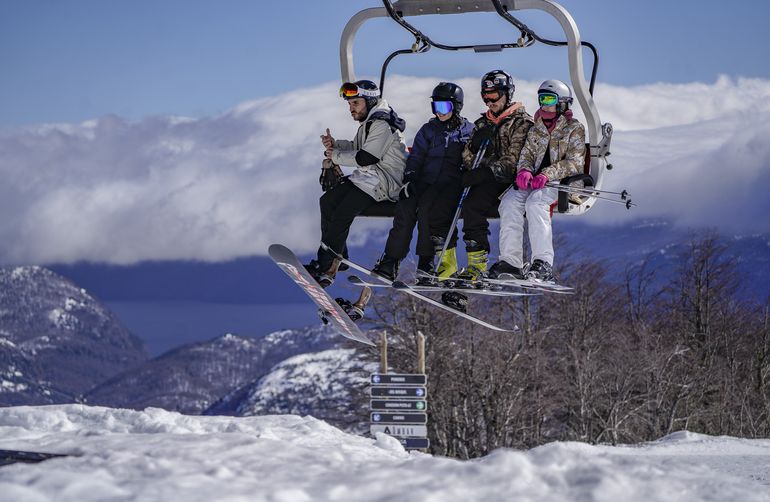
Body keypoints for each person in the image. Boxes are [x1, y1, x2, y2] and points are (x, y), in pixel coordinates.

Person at [305, 80, 408, 287]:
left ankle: (326, 264)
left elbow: (366, 157)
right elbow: (356, 147)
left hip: (384, 182)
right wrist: (335, 145)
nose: (351, 109)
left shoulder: (381, 124)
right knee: (328, 201)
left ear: (369, 101)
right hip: (370, 178)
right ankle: (338, 257)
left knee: (343, 212)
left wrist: (335, 156)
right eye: (350, 105)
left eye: (355, 104)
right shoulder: (370, 122)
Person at [371, 82, 474, 283]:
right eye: (436, 107)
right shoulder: (429, 129)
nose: (440, 112)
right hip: (425, 180)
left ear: (457, 106)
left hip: (448, 184)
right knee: (406, 207)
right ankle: (391, 260)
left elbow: (472, 157)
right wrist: (409, 178)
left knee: (427, 209)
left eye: (444, 107)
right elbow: (416, 156)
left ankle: (425, 262)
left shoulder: (468, 131)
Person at [489, 79, 586, 282]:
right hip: (536, 182)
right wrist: (524, 170)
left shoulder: (573, 128)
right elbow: (527, 154)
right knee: (509, 202)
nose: (544, 105)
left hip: (563, 182)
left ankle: (543, 263)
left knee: (536, 203)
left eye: (550, 100)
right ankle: (511, 261)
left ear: (562, 103)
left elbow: (575, 163)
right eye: (541, 99)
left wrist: (547, 174)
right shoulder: (537, 127)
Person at [452, 70, 534, 281]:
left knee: (490, 203)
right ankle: (476, 263)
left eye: (494, 95)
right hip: (487, 180)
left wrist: (487, 171)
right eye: (485, 96)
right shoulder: (483, 124)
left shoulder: (521, 123)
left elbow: (515, 161)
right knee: (470, 205)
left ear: (508, 94)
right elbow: (468, 157)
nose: (489, 101)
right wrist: (476, 146)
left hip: (510, 181)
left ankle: (510, 262)